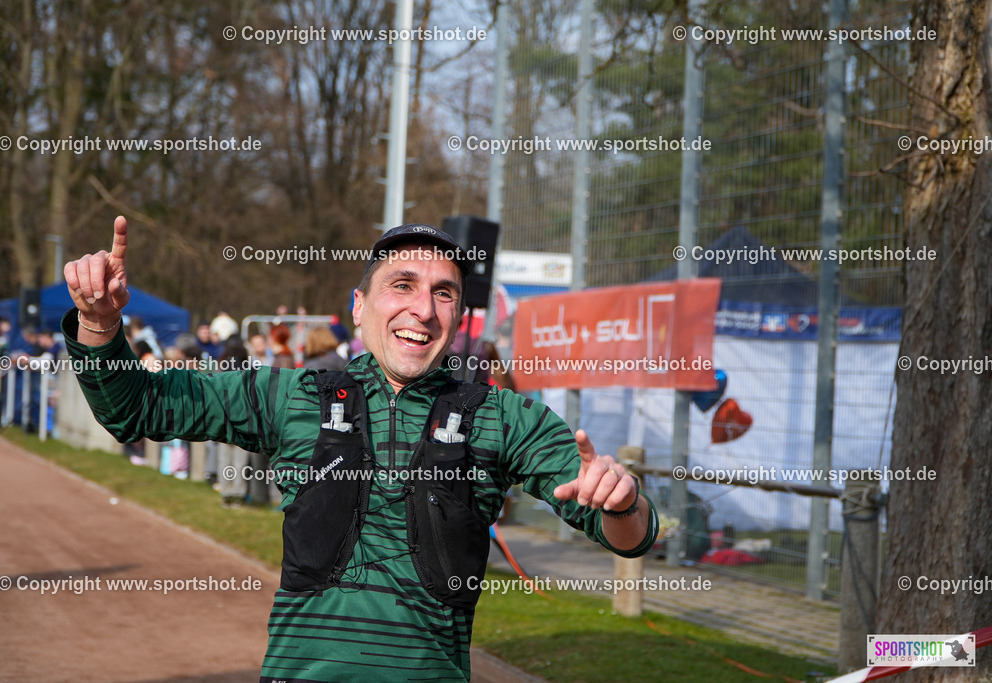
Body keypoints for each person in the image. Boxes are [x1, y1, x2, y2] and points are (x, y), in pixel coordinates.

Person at [60, 216, 657, 682]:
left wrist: (621, 502)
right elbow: (136, 407)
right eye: (403, 285)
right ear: (359, 306)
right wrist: (98, 325)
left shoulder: (504, 417)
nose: (422, 310)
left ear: (459, 314)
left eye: (444, 294)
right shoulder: (289, 395)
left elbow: (627, 535)